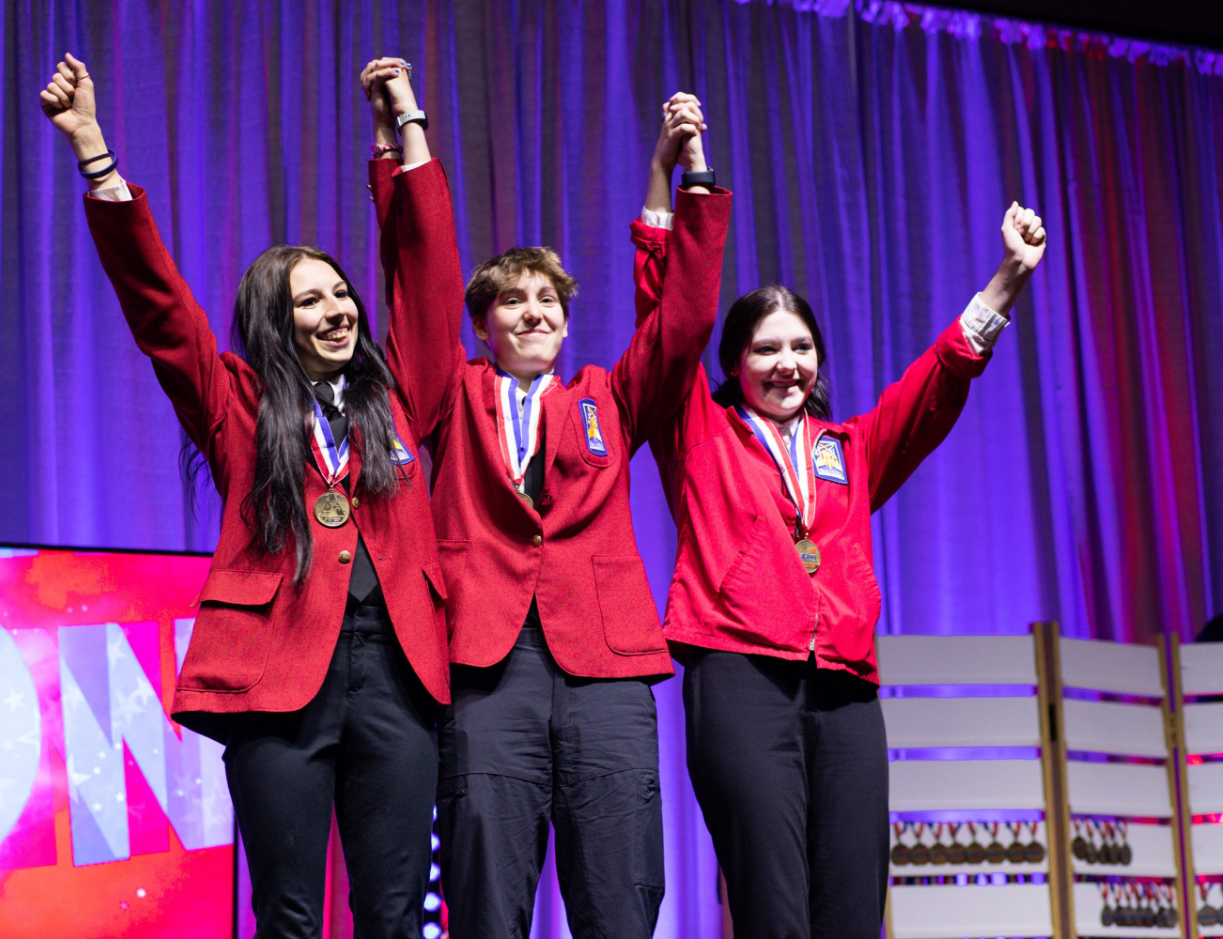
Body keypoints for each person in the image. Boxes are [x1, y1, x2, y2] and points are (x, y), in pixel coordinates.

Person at [39, 54, 449, 939]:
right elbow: (160, 312)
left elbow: (426, 283)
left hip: (397, 676)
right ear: (276, 318)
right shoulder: (235, 404)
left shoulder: (403, 399)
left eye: (343, 293)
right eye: (312, 301)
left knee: (393, 912)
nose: (339, 310)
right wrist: (96, 156)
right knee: (289, 913)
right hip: (277, 679)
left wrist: (403, 137)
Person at [359, 57, 730, 938]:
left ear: (566, 322)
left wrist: (692, 173)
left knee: (619, 888)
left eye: (547, 303)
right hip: (487, 667)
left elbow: (681, 319)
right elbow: (417, 279)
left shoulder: (607, 396)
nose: (532, 314)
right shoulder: (448, 395)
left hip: (603, 666)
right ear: (481, 323)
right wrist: (401, 138)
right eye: (511, 302)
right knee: (487, 891)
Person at [632, 201, 1047, 937]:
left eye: (800, 347)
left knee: (853, 908)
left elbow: (938, 381)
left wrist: (1009, 276)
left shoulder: (848, 449)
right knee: (774, 908)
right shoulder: (699, 432)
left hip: (844, 688)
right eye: (764, 349)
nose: (785, 364)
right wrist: (670, 187)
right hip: (739, 677)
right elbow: (665, 323)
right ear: (733, 362)